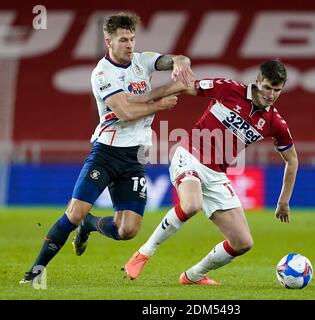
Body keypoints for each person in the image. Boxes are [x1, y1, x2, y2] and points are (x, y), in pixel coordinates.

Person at [20, 11, 193, 284]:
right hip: (106, 153)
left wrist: (181, 61)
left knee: (128, 231)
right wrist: (161, 102)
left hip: (135, 156)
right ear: (108, 42)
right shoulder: (102, 73)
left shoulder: (142, 61)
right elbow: (124, 112)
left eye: (132, 39)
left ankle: (91, 224)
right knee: (75, 212)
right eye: (123, 39)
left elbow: (168, 60)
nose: (129, 45)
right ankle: (35, 272)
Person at [124, 59, 298, 285]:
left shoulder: (275, 122)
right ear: (257, 82)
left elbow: (292, 160)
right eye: (267, 87)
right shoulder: (230, 89)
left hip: (216, 174)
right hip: (189, 154)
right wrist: (144, 98)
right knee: (191, 204)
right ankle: (144, 253)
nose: (271, 94)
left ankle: (193, 276)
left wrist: (283, 201)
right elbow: (186, 85)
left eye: (277, 90)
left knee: (243, 242)